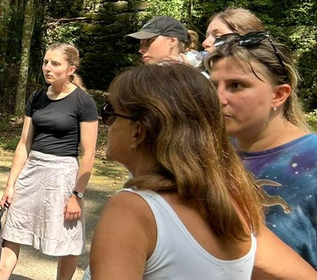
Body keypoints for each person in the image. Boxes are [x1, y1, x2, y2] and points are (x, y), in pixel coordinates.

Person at [84, 63, 317, 280]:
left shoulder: (132, 209)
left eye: (110, 113)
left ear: (139, 131)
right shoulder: (231, 205)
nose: (108, 123)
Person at [207, 32, 317, 268]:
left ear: (278, 95)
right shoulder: (210, 154)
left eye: (236, 85)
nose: (219, 98)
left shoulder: (313, 161)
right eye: (214, 85)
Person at [0, 43, 98, 280]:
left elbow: (89, 153)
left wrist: (77, 195)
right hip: (32, 170)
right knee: (12, 232)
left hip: (63, 175)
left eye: (55, 63)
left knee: (67, 240)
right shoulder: (37, 97)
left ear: (70, 68)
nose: (47, 68)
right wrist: (11, 184)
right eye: (45, 62)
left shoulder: (83, 102)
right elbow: (24, 144)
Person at [124, 15, 201, 66]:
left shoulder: (199, 81)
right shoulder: (141, 82)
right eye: (141, 43)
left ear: (172, 41)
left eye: (149, 41)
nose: (141, 50)